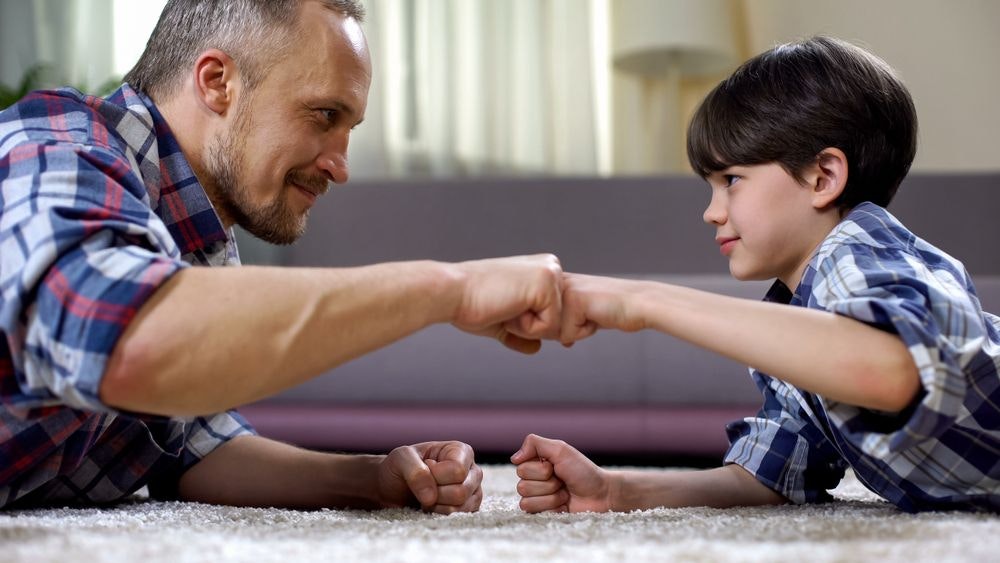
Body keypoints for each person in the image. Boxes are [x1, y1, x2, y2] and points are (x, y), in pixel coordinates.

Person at [0, 0, 564, 511]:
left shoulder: (198, 238)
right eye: (324, 115)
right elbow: (119, 337)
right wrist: (452, 289)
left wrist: (373, 480)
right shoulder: (56, 149)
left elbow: (194, 446)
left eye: (349, 128)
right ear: (217, 82)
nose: (340, 166)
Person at [512, 36, 1000, 513]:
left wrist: (643, 301)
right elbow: (772, 470)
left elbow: (892, 371)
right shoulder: (796, 317)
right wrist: (616, 490)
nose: (711, 212)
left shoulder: (859, 254)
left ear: (822, 178)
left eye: (731, 181)